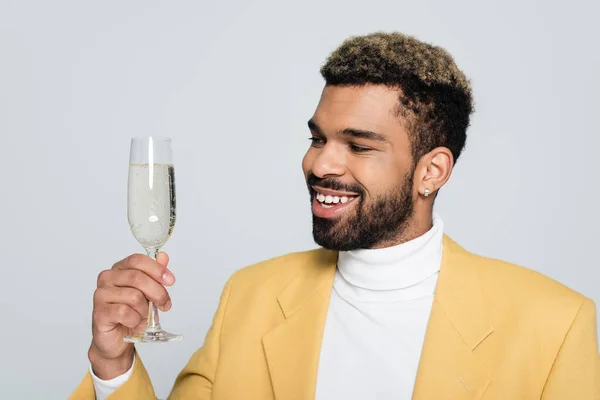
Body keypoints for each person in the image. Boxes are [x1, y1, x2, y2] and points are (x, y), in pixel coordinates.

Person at [70, 32, 600, 400]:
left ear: (432, 171)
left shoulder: (555, 324)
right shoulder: (250, 297)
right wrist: (112, 363)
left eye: (359, 146)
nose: (320, 163)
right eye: (318, 138)